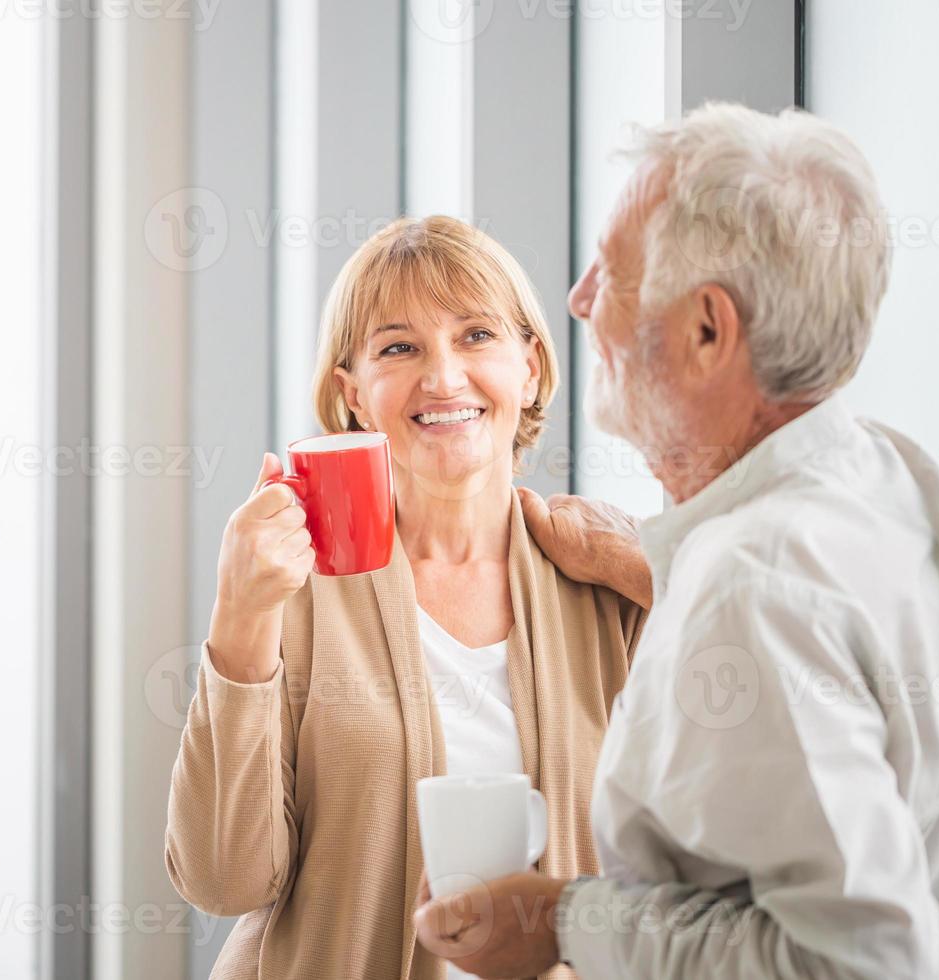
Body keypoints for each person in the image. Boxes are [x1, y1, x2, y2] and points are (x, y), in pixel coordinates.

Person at [413, 103, 939, 978]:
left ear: (707, 331)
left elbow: (867, 965)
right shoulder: (885, 475)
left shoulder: (753, 583)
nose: (575, 300)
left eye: (609, 273)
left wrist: (566, 923)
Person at [166, 215, 651, 979]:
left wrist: (661, 577)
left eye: (476, 336)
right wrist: (239, 620)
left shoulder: (609, 584)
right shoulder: (291, 592)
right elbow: (223, 880)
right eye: (399, 347)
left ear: (529, 365)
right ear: (351, 393)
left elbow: (724, 860)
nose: (444, 378)